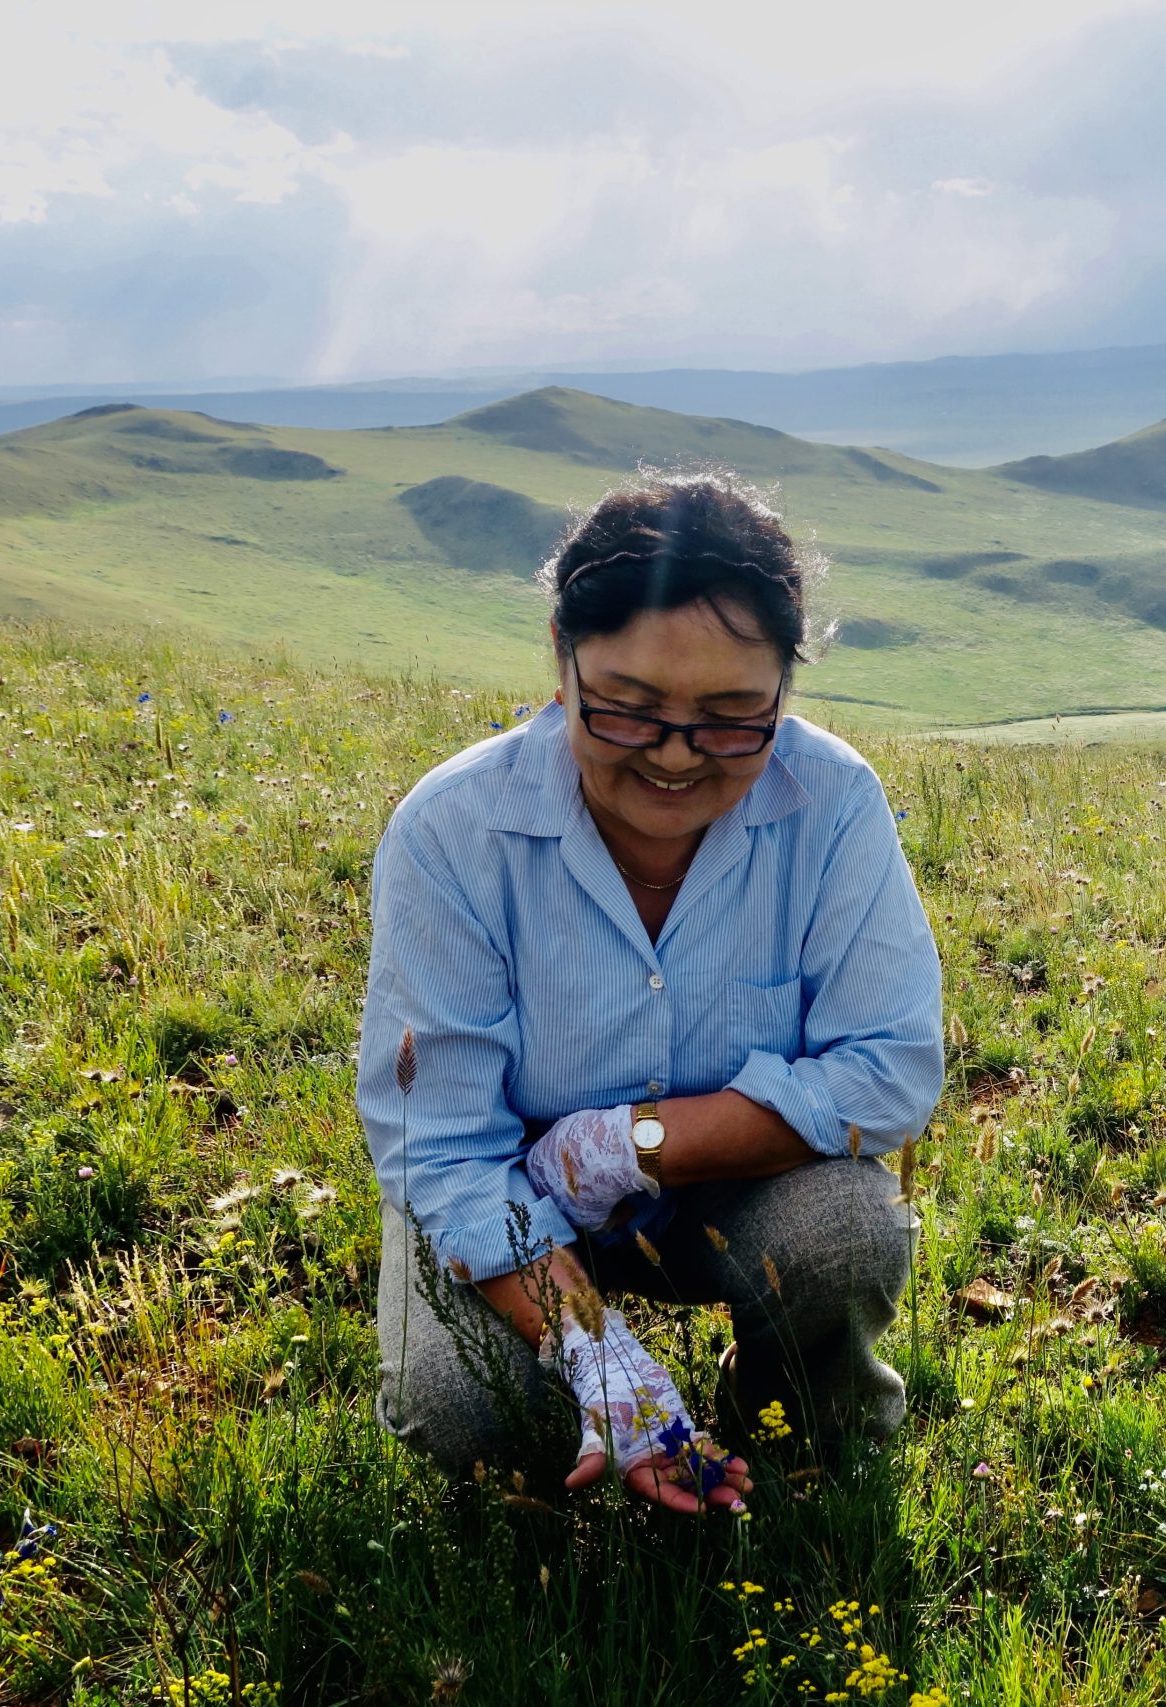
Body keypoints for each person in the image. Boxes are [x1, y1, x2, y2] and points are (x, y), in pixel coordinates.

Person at [356, 469, 944, 1515]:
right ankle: (579, 1459)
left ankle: (804, 1431)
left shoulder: (836, 803)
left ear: (785, 693)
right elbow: (444, 1152)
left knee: (846, 1236)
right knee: (467, 1409)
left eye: (731, 718)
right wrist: (599, 1357)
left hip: (739, 1189)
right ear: (560, 658)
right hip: (509, 1197)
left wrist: (628, 1144)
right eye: (627, 711)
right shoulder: (452, 831)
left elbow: (890, 1072)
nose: (676, 758)